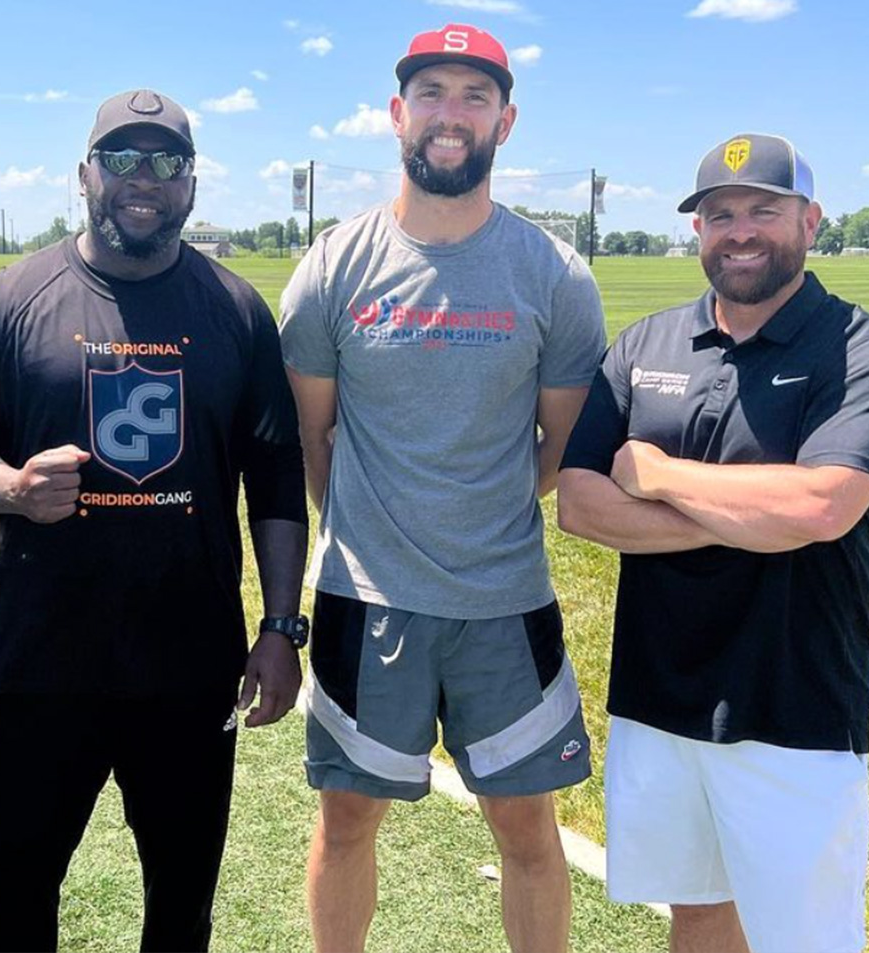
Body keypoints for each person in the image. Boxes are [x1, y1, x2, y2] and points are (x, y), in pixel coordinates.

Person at [0, 88, 308, 953]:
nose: (145, 179)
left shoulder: (237, 313)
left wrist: (282, 626)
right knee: (18, 905)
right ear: (86, 173)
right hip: (39, 666)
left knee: (181, 911)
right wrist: (5, 485)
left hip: (189, 666)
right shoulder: (11, 299)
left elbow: (276, 474)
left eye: (166, 162)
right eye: (124, 159)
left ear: (192, 184)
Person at [278, 22, 607, 953]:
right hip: (364, 600)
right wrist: (369, 529)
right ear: (396, 115)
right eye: (431, 94)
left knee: (528, 831)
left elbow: (559, 444)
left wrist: (484, 512)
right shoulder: (334, 268)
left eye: (473, 96)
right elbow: (315, 434)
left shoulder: (555, 275)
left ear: (507, 121)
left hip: (504, 603)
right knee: (345, 823)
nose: (450, 115)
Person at [558, 133, 869, 953]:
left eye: (763, 210)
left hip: (796, 707)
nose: (740, 230)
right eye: (719, 214)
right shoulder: (647, 343)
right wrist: (750, 519)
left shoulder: (852, 345)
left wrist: (658, 475)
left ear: (809, 220)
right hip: (659, 701)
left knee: (804, 937)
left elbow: (823, 504)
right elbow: (582, 505)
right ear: (698, 230)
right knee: (695, 914)